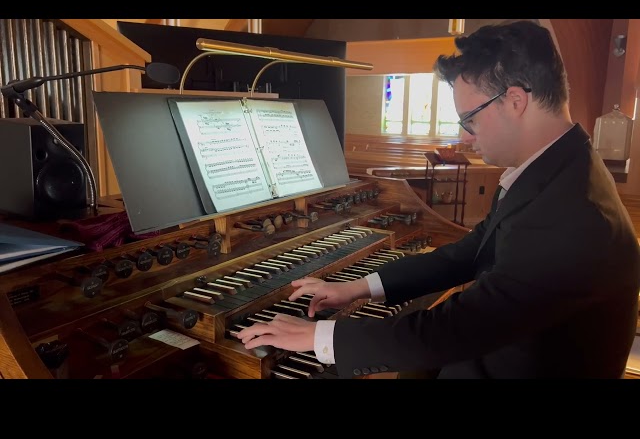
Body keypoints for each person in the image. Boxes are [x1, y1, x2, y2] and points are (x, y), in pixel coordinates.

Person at [237, 20, 640, 379]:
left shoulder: (572, 211)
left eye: (469, 119)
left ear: (515, 101)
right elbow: (469, 252)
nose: (464, 136)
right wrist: (360, 287)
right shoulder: (554, 168)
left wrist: (322, 337)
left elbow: (461, 328)